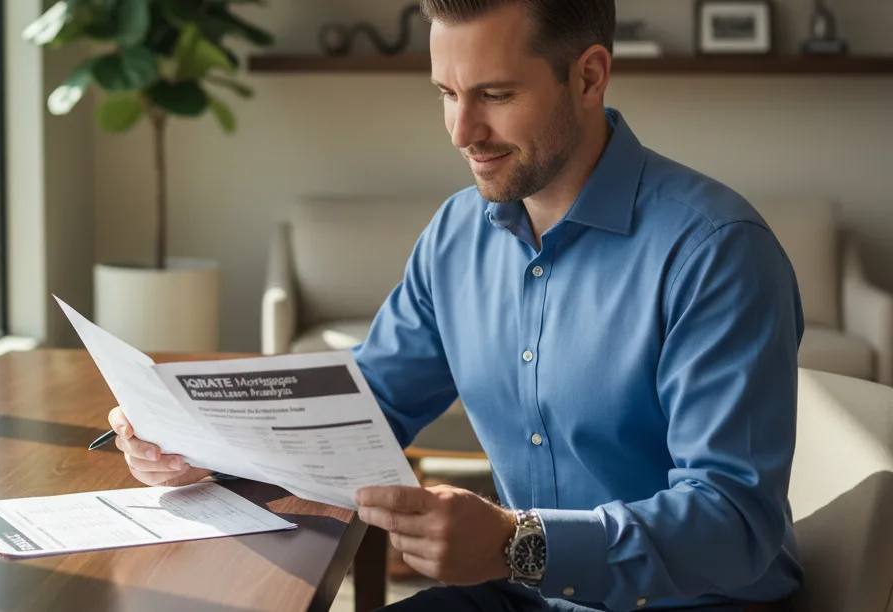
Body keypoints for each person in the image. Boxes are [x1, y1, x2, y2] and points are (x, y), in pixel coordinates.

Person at [107, 0, 805, 610]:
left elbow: (733, 522)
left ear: (589, 76)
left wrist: (517, 543)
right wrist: (202, 444)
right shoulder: (456, 234)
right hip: (520, 595)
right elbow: (367, 403)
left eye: (495, 94)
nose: (461, 130)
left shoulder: (716, 251)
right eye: (446, 92)